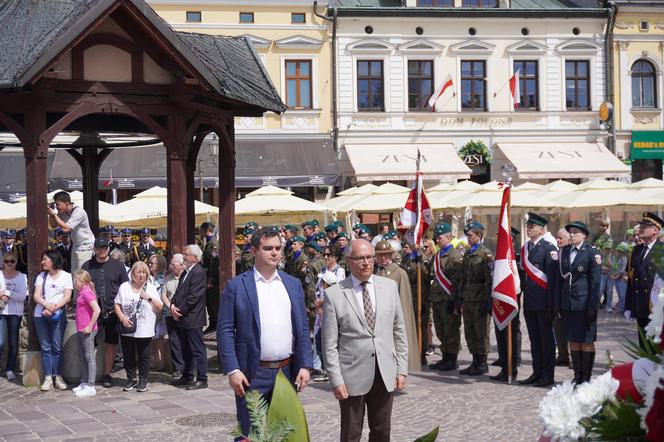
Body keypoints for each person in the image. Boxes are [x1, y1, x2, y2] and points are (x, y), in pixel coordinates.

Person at [218, 227, 312, 440]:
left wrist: (305, 364)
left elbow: (302, 327)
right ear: (254, 251)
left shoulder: (292, 284)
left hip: (287, 373)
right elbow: (224, 330)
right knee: (251, 434)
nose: (274, 253)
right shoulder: (237, 286)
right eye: (268, 248)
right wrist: (233, 370)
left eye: (278, 248)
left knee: (286, 434)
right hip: (253, 374)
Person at [322, 239, 408, 442]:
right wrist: (336, 379)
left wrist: (401, 368)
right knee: (351, 434)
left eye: (370, 257)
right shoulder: (334, 294)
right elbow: (329, 344)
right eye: (360, 258)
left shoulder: (389, 287)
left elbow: (399, 331)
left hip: (385, 370)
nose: (366, 263)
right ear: (348, 261)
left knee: (381, 431)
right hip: (352, 375)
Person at [552, 221, 601, 385]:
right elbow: (560, 280)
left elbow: (595, 283)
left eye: (575, 232)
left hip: (584, 303)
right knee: (573, 339)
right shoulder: (564, 251)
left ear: (584, 235)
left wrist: (592, 307)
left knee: (586, 340)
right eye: (570, 232)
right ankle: (577, 375)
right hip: (568, 303)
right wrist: (558, 304)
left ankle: (586, 377)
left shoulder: (591, 252)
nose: (572, 235)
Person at [81, 236, 130, 388]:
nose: (101, 251)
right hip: (92, 312)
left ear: (108, 248)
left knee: (111, 344)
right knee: (90, 345)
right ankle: (89, 375)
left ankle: (107, 374)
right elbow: (80, 287)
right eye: (99, 248)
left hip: (112, 311)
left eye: (104, 248)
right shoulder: (87, 265)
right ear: (94, 249)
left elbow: (125, 288)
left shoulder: (118, 265)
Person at [518, 213, 557, 388]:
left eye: (532, 226)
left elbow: (553, 278)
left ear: (541, 230)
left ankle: (547, 375)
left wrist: (551, 304)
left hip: (543, 302)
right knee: (535, 339)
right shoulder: (526, 248)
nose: (529, 228)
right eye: (528, 226)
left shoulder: (548, 248)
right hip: (530, 302)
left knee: (546, 340)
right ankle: (537, 372)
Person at [114, 261, 163, 392]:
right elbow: (117, 304)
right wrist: (122, 317)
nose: (141, 275)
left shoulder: (150, 287)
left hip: (145, 328)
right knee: (128, 355)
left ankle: (143, 380)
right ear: (133, 273)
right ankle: (130, 379)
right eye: (138, 272)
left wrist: (148, 297)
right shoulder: (124, 286)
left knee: (144, 356)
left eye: (144, 272)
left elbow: (159, 307)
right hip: (127, 327)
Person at [374, 240, 421, 372]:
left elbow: (404, 301)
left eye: (386, 255)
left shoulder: (400, 273)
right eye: (380, 255)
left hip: (393, 318)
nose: (383, 258)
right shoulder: (376, 272)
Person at [169, 244, 208, 389]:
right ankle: (187, 375)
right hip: (183, 317)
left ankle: (202, 377)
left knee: (197, 349)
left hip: (193, 317)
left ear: (195, 257)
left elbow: (194, 297)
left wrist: (179, 310)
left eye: (186, 254)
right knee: (185, 348)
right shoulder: (186, 272)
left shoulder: (198, 272)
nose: (184, 256)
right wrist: (173, 305)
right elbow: (179, 292)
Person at [33, 249, 72, 391]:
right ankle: (48, 377)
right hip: (40, 314)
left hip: (57, 315)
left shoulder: (66, 276)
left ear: (53, 260)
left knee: (57, 346)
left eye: (45, 259)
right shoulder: (41, 276)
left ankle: (58, 376)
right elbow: (36, 296)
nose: (42, 262)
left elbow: (67, 297)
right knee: (45, 347)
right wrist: (46, 305)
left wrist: (53, 308)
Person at [459, 221, 493, 376]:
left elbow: (488, 279)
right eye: (467, 236)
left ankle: (482, 362)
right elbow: (463, 277)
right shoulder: (467, 253)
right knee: (470, 330)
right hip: (468, 297)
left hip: (480, 298)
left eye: (471, 235)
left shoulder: (485, 254)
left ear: (479, 235)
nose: (468, 238)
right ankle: (474, 360)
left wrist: (487, 300)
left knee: (481, 331)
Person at [428, 223, 464, 371]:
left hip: (448, 299)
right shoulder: (437, 256)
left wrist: (453, 300)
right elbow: (431, 274)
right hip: (437, 299)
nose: (437, 240)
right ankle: (445, 357)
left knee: (451, 330)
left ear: (449, 237)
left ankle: (452, 359)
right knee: (441, 329)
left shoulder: (455, 256)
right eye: (436, 238)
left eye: (440, 237)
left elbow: (458, 281)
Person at [625, 212, 664, 349]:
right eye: (641, 225)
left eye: (646, 226)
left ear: (655, 230)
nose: (641, 228)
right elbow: (631, 280)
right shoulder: (636, 250)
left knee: (657, 350)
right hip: (640, 306)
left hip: (657, 309)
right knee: (644, 349)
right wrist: (628, 305)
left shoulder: (661, 250)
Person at [312, 245, 346, 382]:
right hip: (320, 311)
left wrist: (322, 301)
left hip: (331, 309)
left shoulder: (339, 271)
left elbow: (338, 289)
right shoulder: (323, 270)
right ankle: (324, 367)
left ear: (335, 257)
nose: (325, 257)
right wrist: (316, 302)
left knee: (331, 338)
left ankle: (331, 368)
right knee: (319, 338)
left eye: (328, 255)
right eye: (324, 255)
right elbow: (318, 288)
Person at [48, 191, 95, 272]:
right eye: (55, 204)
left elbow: (66, 229)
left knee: (82, 273)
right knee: (74, 273)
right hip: (76, 246)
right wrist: (50, 214)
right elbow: (53, 225)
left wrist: (54, 215)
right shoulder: (62, 212)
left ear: (66, 203)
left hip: (86, 246)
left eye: (58, 204)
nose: (57, 207)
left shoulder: (78, 211)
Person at [72, 270, 101, 398]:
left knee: (89, 357)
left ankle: (91, 385)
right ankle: (84, 381)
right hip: (81, 329)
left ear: (82, 281)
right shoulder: (82, 292)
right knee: (83, 356)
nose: (74, 282)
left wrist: (90, 326)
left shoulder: (87, 292)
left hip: (87, 330)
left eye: (76, 279)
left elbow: (97, 309)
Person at [0, 251, 28, 381]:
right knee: (0, 342)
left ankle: (10, 368)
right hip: (2, 311)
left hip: (14, 312)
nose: (9, 264)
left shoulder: (21, 276)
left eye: (12, 261)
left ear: (16, 262)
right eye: (7, 261)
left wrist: (7, 293)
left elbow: (22, 297)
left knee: (13, 341)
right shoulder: (0, 275)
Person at [161, 254, 186, 379]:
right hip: (171, 314)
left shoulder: (187, 276)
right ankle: (178, 368)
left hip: (184, 314)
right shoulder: (168, 278)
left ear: (181, 265)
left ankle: (190, 367)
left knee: (186, 341)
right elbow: (163, 295)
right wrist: (170, 307)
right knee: (175, 342)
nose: (170, 267)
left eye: (173, 264)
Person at [553, 229, 572, 367]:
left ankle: (572, 356)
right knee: (558, 327)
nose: (558, 240)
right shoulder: (557, 252)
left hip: (569, 296)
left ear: (568, 239)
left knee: (570, 327)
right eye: (557, 238)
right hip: (557, 294)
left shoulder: (572, 253)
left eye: (561, 238)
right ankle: (562, 354)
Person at [148, 253, 168, 371]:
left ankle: (162, 361)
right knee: (153, 337)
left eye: (153, 263)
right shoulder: (150, 277)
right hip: (151, 310)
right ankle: (156, 360)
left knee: (160, 338)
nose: (150, 264)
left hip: (162, 310)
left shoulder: (163, 277)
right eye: (149, 262)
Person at [199, 222, 220, 334]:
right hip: (208, 278)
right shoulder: (209, 243)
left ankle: (215, 325)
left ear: (207, 230)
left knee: (213, 302)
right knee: (210, 303)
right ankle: (213, 324)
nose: (200, 232)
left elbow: (213, 263)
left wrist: (210, 280)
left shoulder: (213, 244)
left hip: (212, 280)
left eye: (201, 229)